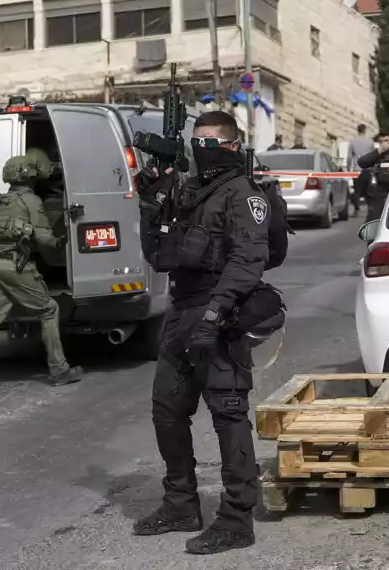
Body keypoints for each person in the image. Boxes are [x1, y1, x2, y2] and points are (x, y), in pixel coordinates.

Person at [133, 110, 269, 555]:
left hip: (219, 315)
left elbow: (248, 261)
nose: (201, 148)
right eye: (197, 140)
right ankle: (180, 505)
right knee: (166, 410)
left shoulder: (242, 193)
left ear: (231, 145)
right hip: (181, 313)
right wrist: (150, 203)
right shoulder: (188, 192)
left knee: (228, 414)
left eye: (210, 141)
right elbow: (158, 254)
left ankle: (236, 519)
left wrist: (215, 315)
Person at [0, 152, 82, 399]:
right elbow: (45, 239)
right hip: (15, 267)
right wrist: (66, 237)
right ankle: (59, 370)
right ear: (30, 175)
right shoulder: (31, 201)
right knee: (49, 309)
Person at [357, 131, 389, 222]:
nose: (384, 143)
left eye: (386, 140)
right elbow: (362, 162)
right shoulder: (377, 155)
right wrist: (379, 151)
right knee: (373, 221)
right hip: (377, 195)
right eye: (381, 141)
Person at [347, 124, 376, 216]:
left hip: (356, 169)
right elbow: (374, 155)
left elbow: (349, 157)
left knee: (357, 191)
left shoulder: (353, 142)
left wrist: (348, 168)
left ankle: (356, 210)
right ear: (365, 130)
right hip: (367, 169)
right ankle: (370, 210)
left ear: (357, 130)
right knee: (368, 190)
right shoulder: (370, 142)